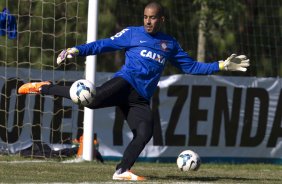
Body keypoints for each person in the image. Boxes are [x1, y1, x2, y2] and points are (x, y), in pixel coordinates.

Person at [18, 1, 249, 181]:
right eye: (146, 17)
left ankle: (121, 171)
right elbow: (103, 44)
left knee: (145, 132)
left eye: (153, 18)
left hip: (140, 98)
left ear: (162, 19)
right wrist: (76, 50)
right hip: (124, 83)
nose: (148, 22)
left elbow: (192, 67)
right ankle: (44, 88)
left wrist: (221, 64)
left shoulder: (170, 44)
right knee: (92, 100)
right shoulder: (132, 33)